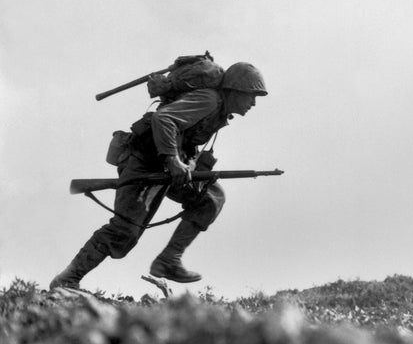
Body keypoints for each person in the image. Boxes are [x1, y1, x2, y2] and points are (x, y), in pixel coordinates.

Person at [49, 62, 267, 290]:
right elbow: (163, 119)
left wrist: (187, 164)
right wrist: (173, 161)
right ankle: (67, 279)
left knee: (210, 198)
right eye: (251, 96)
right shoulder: (209, 100)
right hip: (143, 161)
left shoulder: (219, 110)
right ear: (236, 90)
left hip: (166, 166)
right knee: (124, 232)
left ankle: (169, 260)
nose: (253, 103)